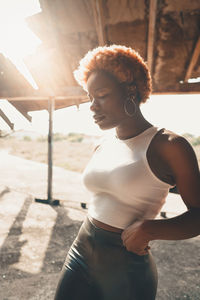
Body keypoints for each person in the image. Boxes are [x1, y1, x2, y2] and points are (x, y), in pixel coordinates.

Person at [54, 45, 200, 300]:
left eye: (101, 95)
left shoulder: (169, 146)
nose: (92, 106)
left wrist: (150, 229)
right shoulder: (102, 143)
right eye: (89, 97)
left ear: (130, 90)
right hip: (80, 252)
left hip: (126, 271)